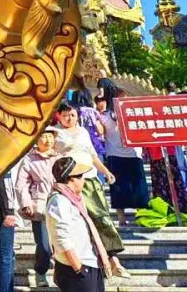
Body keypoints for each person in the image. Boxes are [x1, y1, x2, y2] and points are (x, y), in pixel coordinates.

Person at [53, 102, 128, 277]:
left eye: (72, 115)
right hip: (68, 182)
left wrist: (106, 171)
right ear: (59, 116)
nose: (69, 118)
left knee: (102, 217)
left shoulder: (83, 132)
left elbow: (92, 155)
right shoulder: (54, 132)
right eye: (65, 115)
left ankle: (113, 259)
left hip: (90, 179)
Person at [46, 155, 112, 291]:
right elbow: (61, 237)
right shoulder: (59, 201)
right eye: (81, 176)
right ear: (71, 179)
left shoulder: (74, 199)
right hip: (76, 268)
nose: (84, 180)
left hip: (90, 264)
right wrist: (78, 267)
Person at [98, 91, 148, 225]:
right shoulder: (105, 116)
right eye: (119, 99)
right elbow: (100, 131)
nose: (122, 102)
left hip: (134, 154)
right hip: (115, 155)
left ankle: (141, 215)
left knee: (138, 188)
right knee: (118, 188)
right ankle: (121, 218)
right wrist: (97, 116)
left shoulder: (135, 115)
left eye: (125, 99)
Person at [16, 129, 57, 287]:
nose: (48, 140)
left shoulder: (59, 157)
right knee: (44, 245)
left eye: (50, 136)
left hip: (59, 205)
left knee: (59, 243)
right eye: (44, 136)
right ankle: (41, 272)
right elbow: (21, 184)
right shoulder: (29, 160)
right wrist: (26, 203)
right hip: (39, 206)